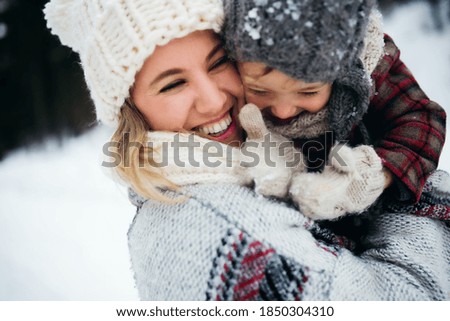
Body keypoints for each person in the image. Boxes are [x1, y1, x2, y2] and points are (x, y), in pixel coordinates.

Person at [44, 0, 450, 300]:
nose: (213, 100)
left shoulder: (257, 144)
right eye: (172, 84)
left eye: (219, 62)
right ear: (129, 109)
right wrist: (415, 193)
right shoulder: (211, 227)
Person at [222, 0, 447, 220]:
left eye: (308, 92)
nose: (283, 111)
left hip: (369, 212)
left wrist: (376, 175)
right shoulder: (224, 89)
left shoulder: (371, 68)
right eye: (259, 91)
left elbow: (422, 121)